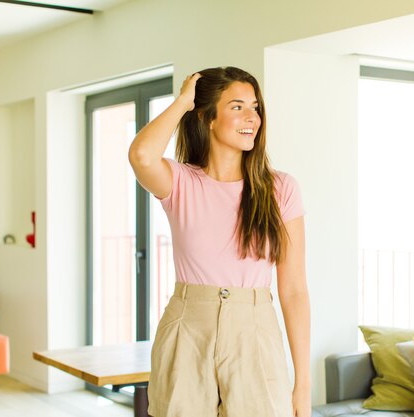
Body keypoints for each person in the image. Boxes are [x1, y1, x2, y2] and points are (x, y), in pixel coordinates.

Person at [128, 66, 310, 417]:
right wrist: (182, 101)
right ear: (208, 118)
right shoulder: (180, 182)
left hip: (255, 330)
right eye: (237, 106)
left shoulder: (281, 189)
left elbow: (295, 291)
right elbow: (141, 156)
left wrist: (303, 384)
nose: (252, 117)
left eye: (255, 107)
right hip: (187, 328)